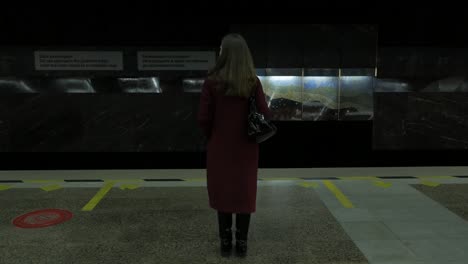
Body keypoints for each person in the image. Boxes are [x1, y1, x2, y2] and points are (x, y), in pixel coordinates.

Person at [197, 33, 271, 257]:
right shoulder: (252, 81)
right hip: (247, 148)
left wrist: (213, 135)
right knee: (243, 193)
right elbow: (265, 113)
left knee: (223, 193)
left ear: (225, 53)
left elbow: (203, 117)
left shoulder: (212, 81)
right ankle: (242, 243)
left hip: (220, 148)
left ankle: (225, 243)